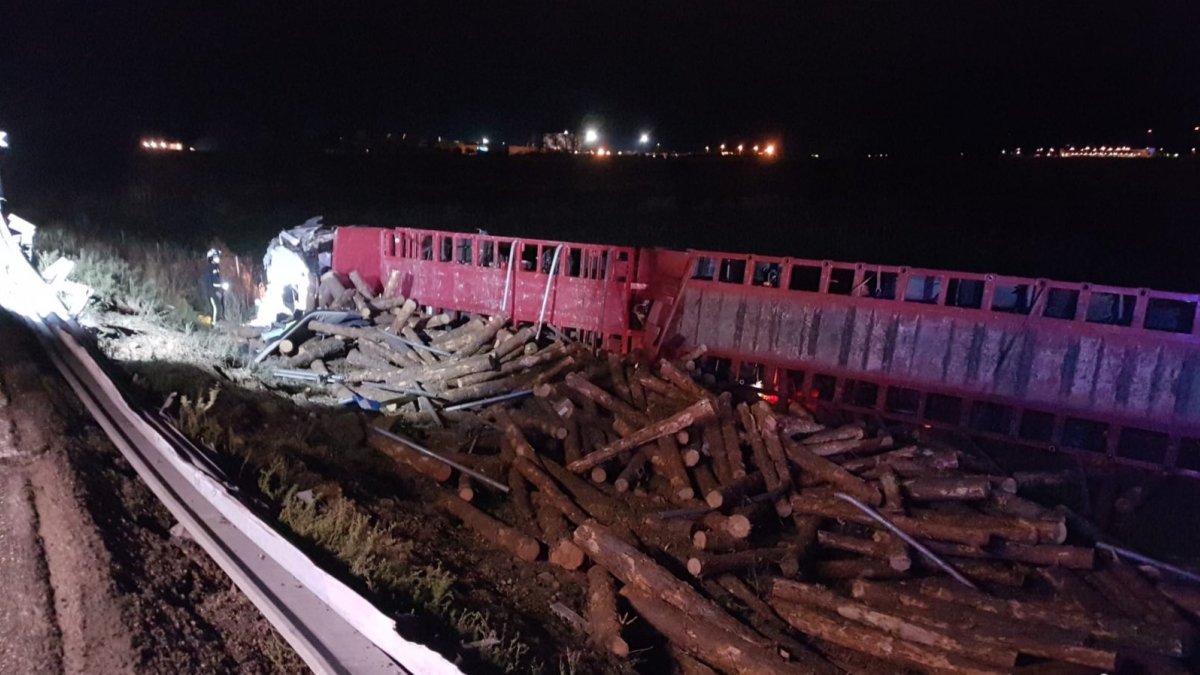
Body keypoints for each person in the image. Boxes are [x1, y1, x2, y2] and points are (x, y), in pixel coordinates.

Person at [203, 248, 226, 323]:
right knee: (216, 308)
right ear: (211, 258)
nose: (218, 258)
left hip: (217, 292)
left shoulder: (216, 267)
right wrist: (221, 285)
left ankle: (221, 324)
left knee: (221, 308)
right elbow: (211, 283)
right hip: (212, 293)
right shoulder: (210, 268)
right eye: (216, 256)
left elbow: (217, 279)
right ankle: (214, 326)